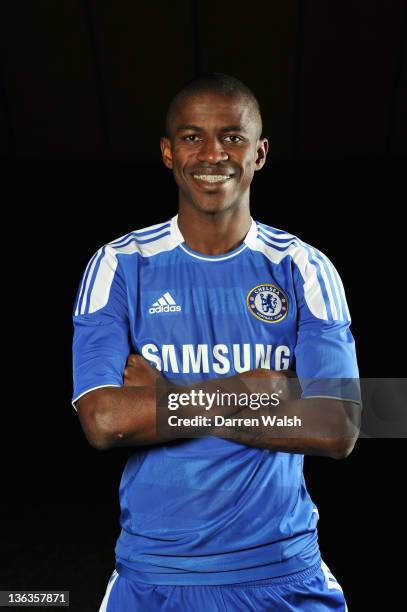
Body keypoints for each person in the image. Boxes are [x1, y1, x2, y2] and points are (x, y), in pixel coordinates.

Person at [72, 73, 360, 611]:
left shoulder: (303, 268)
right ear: (167, 152)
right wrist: (252, 390)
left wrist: (167, 397)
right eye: (191, 137)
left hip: (283, 572)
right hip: (154, 577)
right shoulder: (118, 264)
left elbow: (337, 425)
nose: (212, 153)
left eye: (232, 136)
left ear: (260, 152)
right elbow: (103, 421)